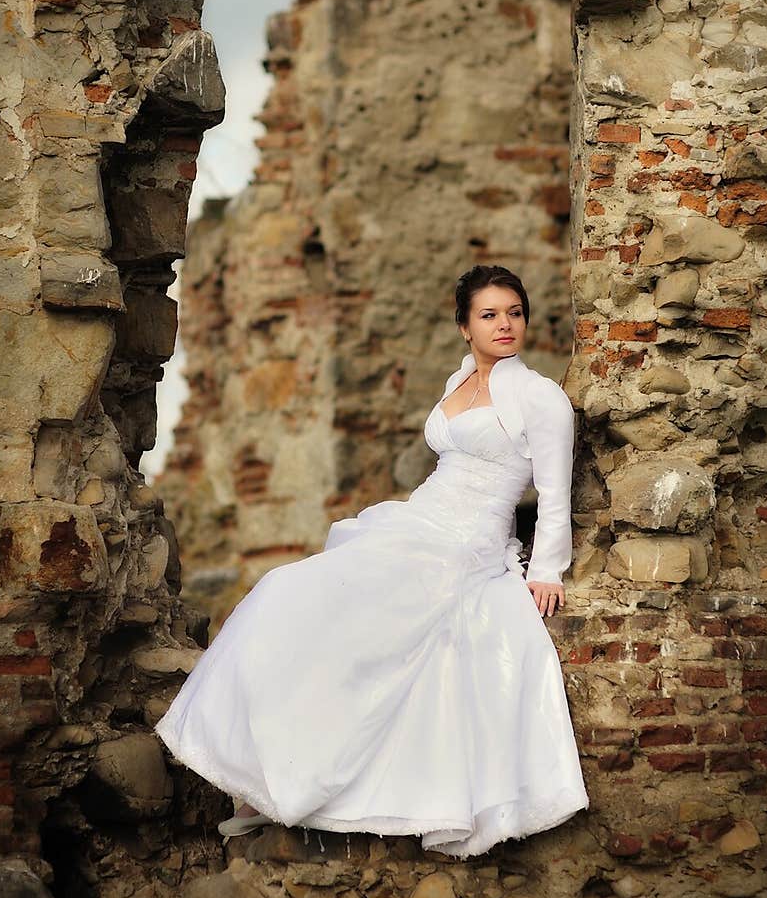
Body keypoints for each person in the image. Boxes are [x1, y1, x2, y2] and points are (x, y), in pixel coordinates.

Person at [154, 264, 589, 859]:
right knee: (288, 592)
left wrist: (546, 570)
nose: (504, 324)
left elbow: (555, 491)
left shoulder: (541, 399)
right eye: (489, 314)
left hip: (468, 541)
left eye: (514, 312)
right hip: (419, 520)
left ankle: (313, 784)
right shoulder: (458, 382)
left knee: (361, 615)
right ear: (464, 326)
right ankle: (274, 772)